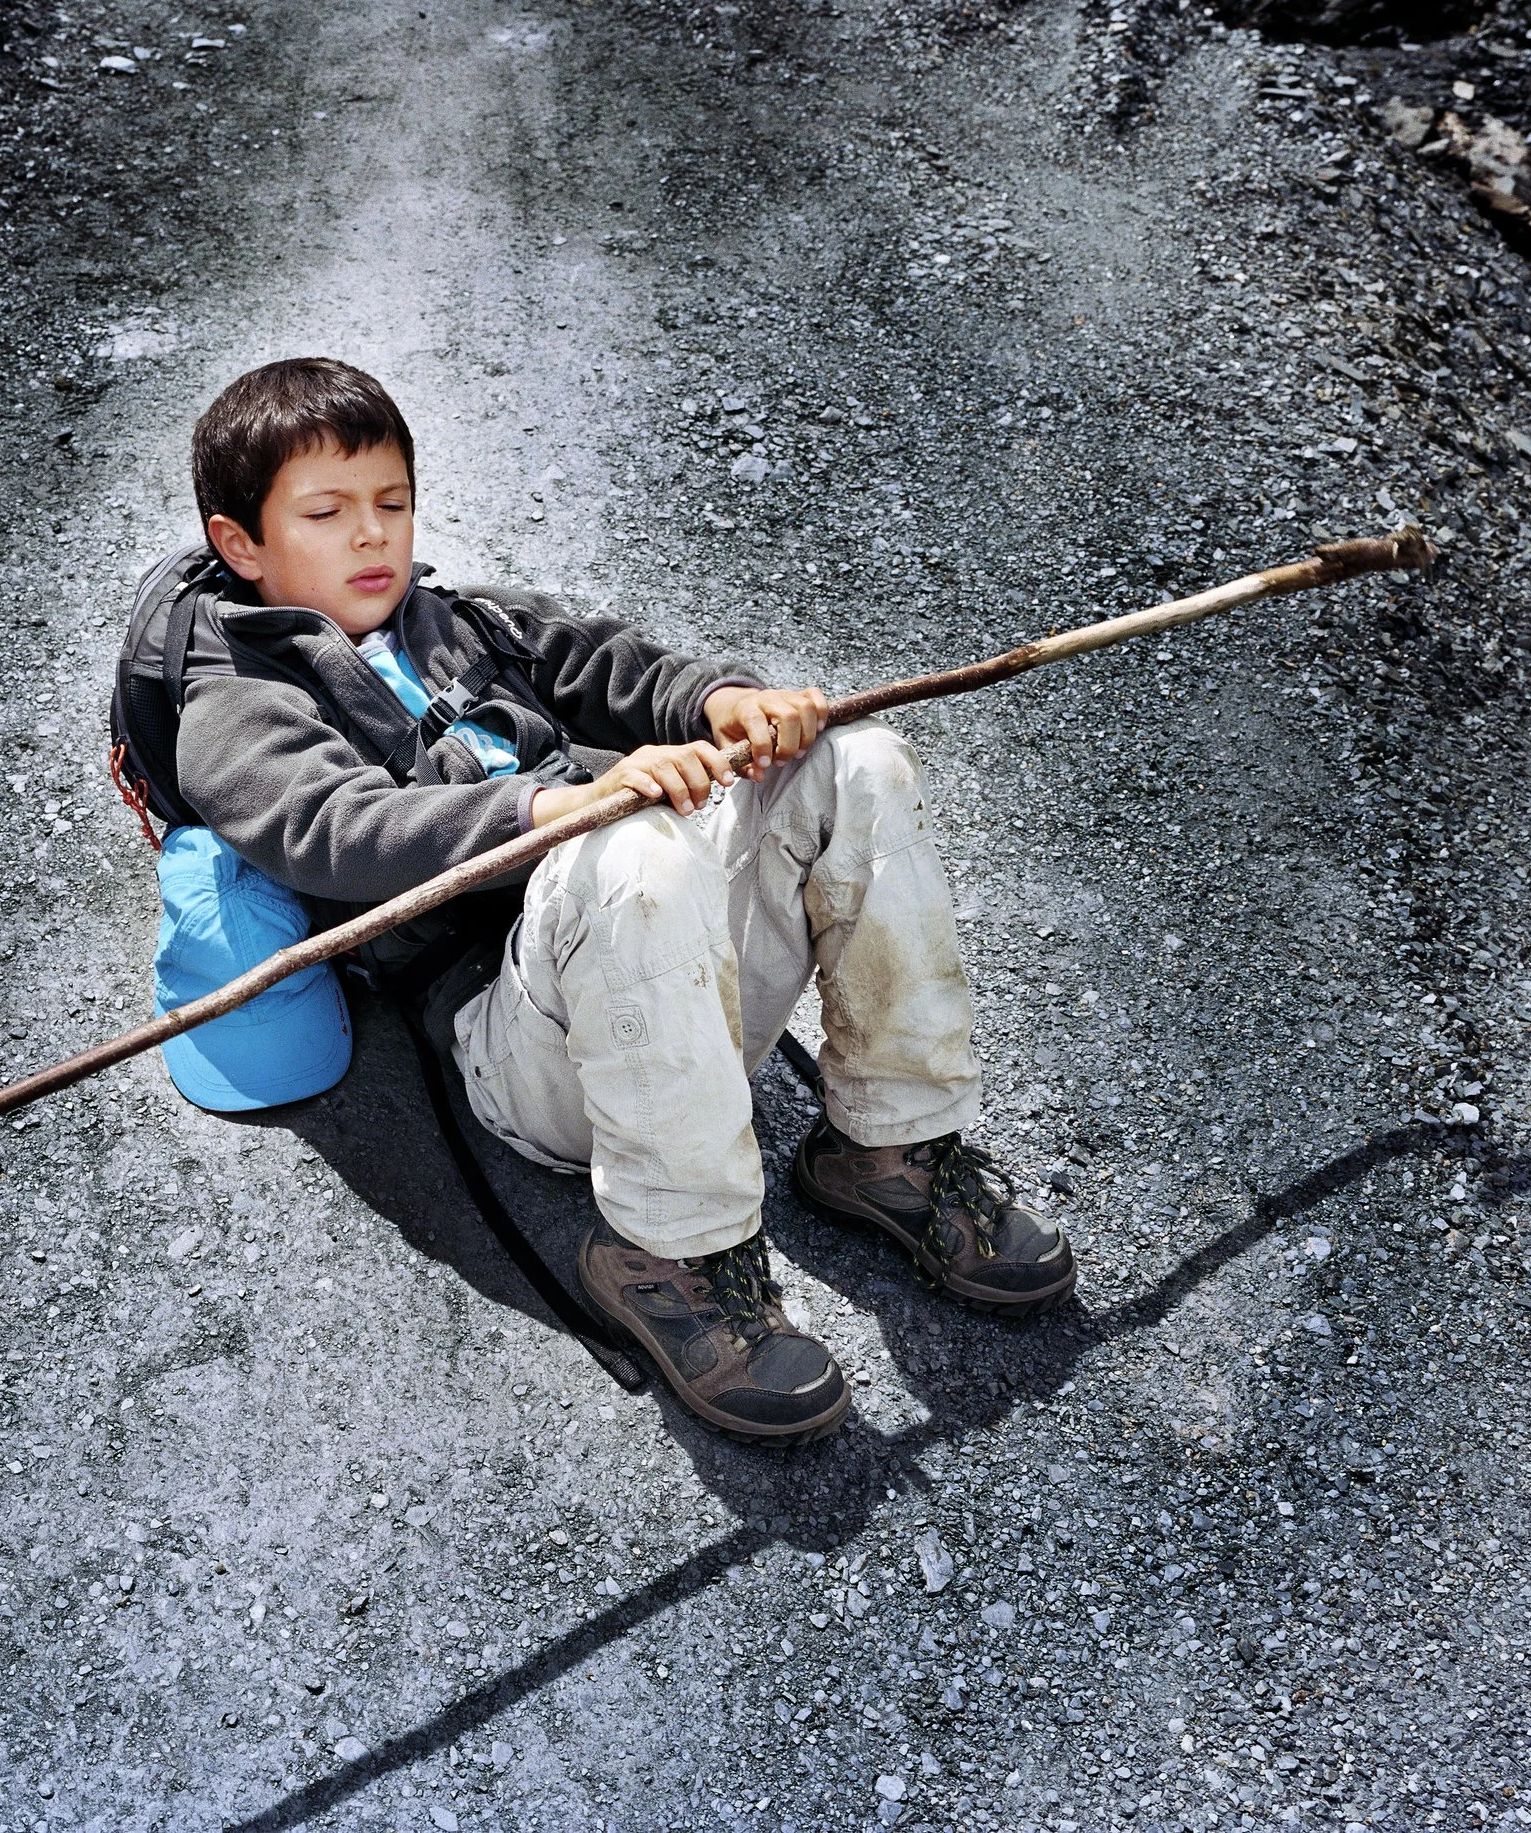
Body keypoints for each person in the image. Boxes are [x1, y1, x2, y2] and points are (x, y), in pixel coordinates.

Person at [143, 357, 1074, 1443]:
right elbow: (334, 830)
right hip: (524, 1048)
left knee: (854, 759)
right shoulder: (237, 702)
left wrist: (727, 702)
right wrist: (552, 808)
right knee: (630, 844)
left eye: (392, 502)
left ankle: (892, 1145)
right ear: (241, 543)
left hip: (675, 982)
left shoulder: (459, 620)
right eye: (325, 513)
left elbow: (614, 666)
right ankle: (675, 1252)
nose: (370, 535)